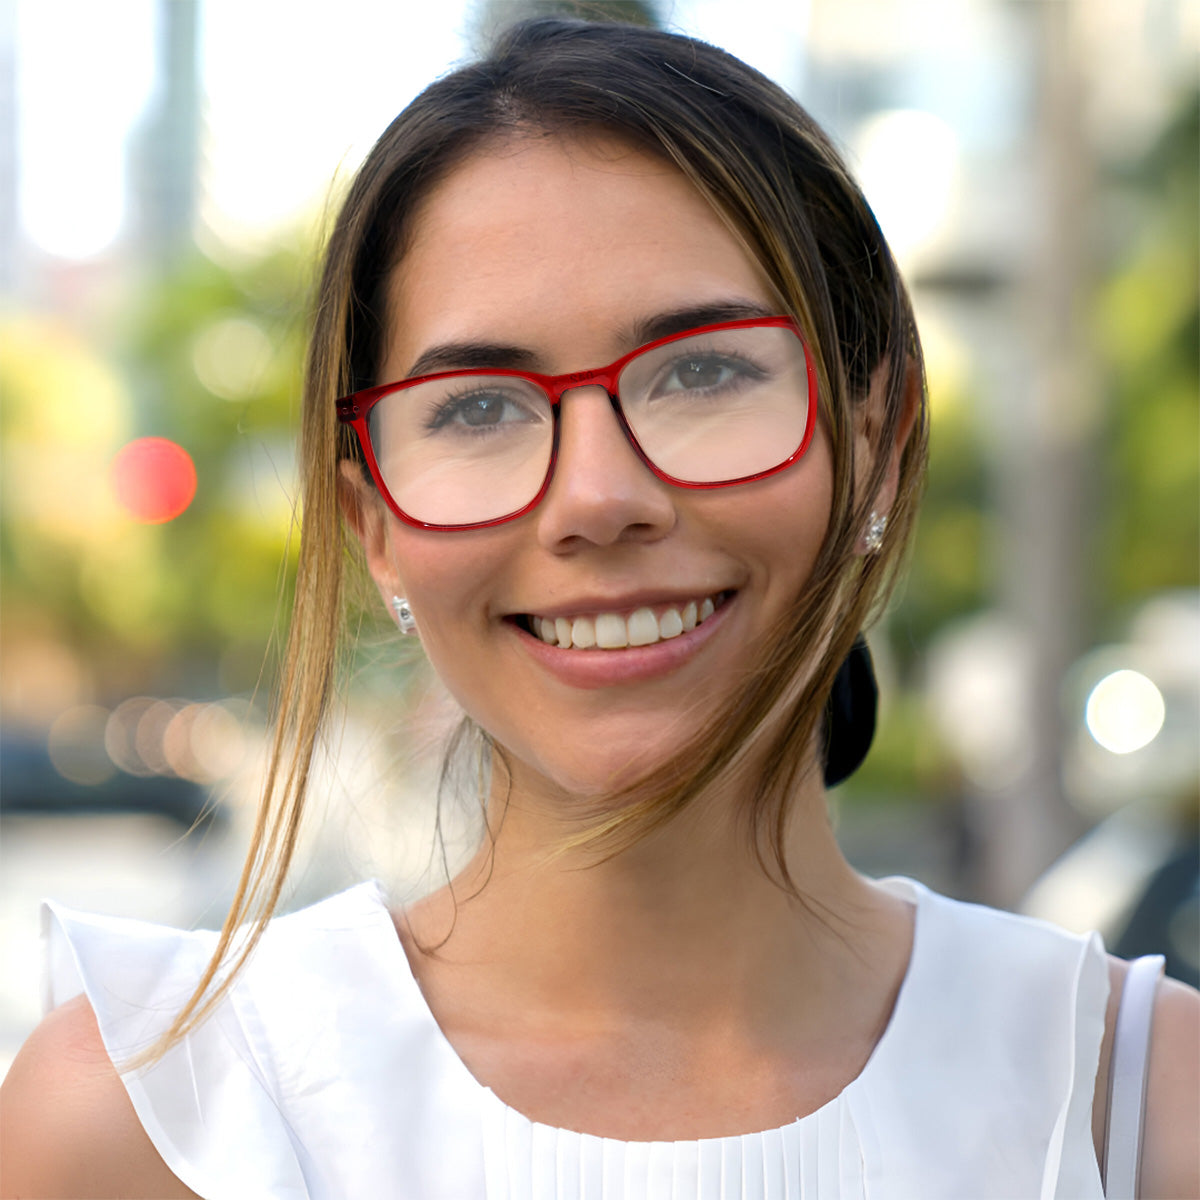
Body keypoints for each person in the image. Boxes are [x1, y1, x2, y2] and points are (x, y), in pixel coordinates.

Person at [2, 17, 1196, 1200]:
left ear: (872, 444)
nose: (596, 498)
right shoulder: (152, 1124)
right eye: (477, 407)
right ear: (375, 526)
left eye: (702, 371)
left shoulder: (1140, 1107)